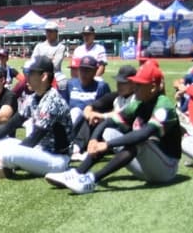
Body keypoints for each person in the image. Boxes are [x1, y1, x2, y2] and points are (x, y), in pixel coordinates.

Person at [45, 59, 181, 193]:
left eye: (139, 84)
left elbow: (144, 134)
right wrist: (94, 139)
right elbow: (109, 121)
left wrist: (108, 145)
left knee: (141, 141)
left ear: (152, 87)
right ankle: (77, 172)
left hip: (166, 169)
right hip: (146, 169)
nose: (135, 87)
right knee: (109, 131)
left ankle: (92, 179)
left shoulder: (164, 106)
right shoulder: (138, 103)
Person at [0, 56, 72, 180]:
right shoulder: (33, 97)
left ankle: (6, 167)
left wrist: (6, 156)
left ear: (43, 76)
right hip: (40, 151)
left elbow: (35, 137)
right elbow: (13, 123)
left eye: (30, 73)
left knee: (9, 154)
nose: (25, 76)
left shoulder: (52, 100)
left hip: (57, 160)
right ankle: (8, 165)